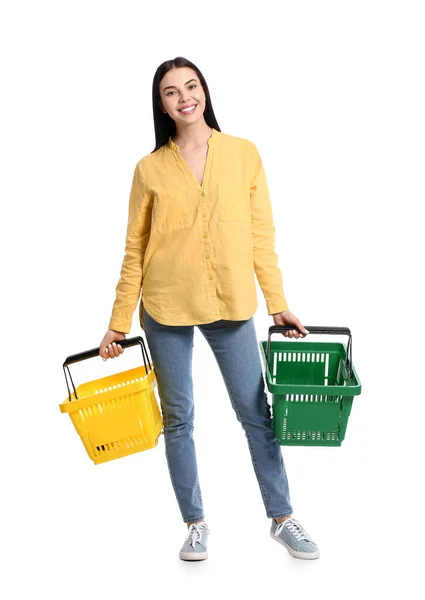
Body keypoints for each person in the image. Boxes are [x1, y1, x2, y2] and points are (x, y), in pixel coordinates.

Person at [98, 56, 320, 561]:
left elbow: (261, 237)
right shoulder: (149, 168)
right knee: (179, 419)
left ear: (204, 91)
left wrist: (278, 303)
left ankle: (282, 517)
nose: (184, 98)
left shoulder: (243, 154)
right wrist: (117, 321)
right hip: (165, 306)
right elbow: (135, 248)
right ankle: (195, 523)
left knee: (255, 413)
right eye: (171, 92)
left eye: (190, 86)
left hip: (231, 302)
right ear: (162, 104)